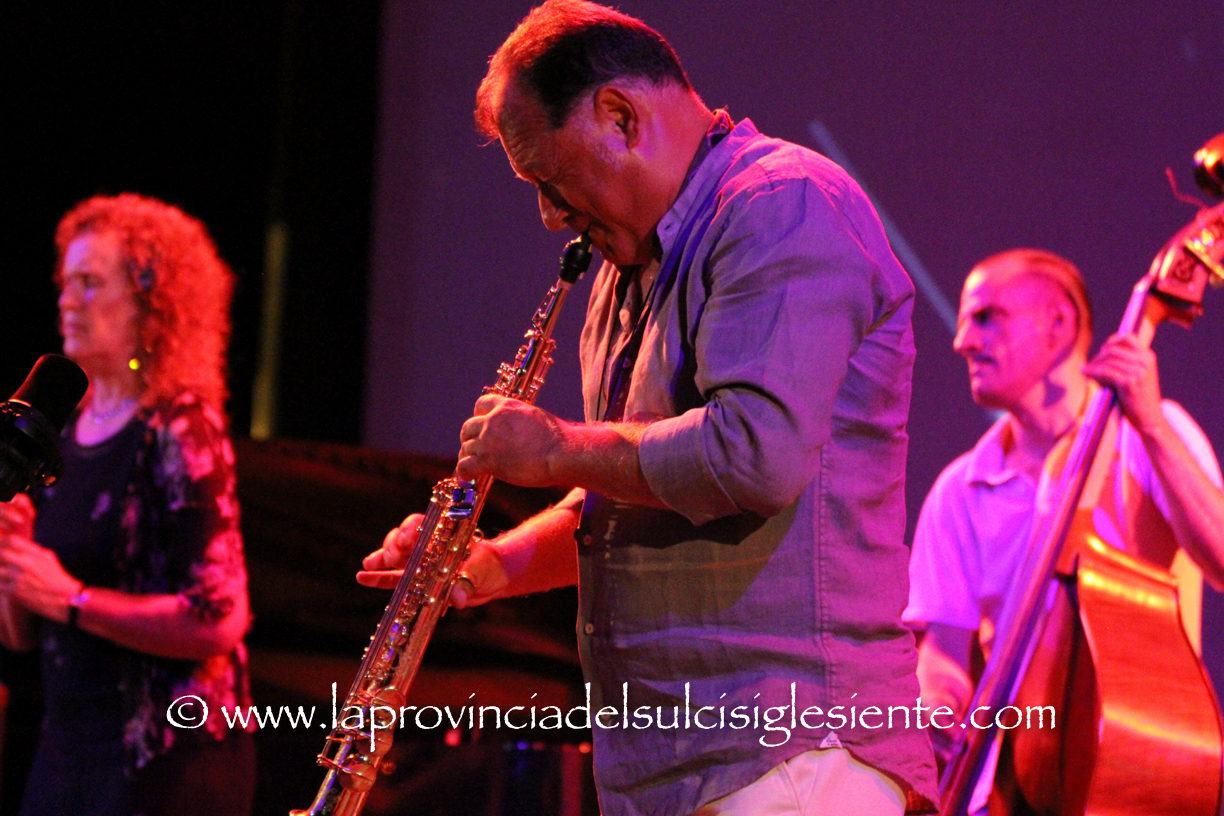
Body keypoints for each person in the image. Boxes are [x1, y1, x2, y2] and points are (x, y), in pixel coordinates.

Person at [360, 2, 938, 814]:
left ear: (620, 117)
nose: (550, 215)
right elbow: (631, 490)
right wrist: (486, 567)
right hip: (680, 766)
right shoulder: (621, 271)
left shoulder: (781, 202)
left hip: (791, 757)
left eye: (550, 179)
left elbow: (753, 457)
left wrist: (555, 449)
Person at [903, 248, 1224, 812]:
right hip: (1005, 785)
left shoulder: (1152, 433)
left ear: (1058, 324)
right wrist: (939, 701)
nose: (962, 341)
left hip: (1134, 763)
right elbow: (944, 650)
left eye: (986, 317)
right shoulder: (959, 489)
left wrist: (1150, 424)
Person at [0, 194, 255, 816]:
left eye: (90, 283)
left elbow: (220, 620)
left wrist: (72, 599)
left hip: (165, 761)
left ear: (151, 301)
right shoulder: (63, 426)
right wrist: (11, 563)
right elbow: (21, 635)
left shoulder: (181, 426)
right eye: (66, 282)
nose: (68, 300)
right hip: (67, 753)